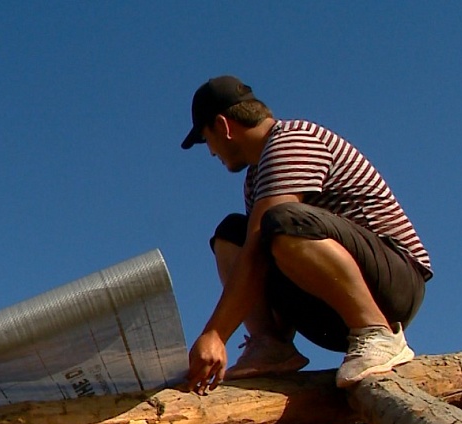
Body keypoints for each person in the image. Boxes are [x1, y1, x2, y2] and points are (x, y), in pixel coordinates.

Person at [179, 76, 432, 393]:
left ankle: (376, 332)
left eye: (207, 140)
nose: (211, 152)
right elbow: (265, 261)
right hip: (331, 306)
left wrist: (215, 334)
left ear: (223, 126)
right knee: (232, 234)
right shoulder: (255, 179)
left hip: (395, 285)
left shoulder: (293, 140)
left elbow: (264, 243)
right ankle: (270, 345)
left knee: (277, 222)